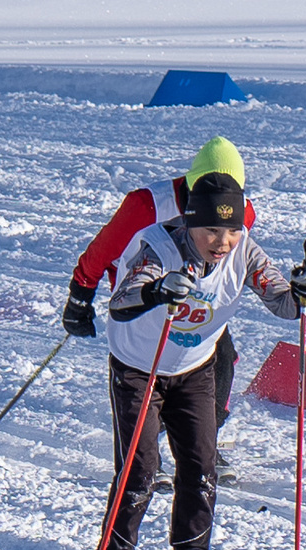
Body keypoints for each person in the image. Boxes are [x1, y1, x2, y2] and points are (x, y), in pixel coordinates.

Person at [86, 171, 306, 550]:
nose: (222, 242)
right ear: (189, 221)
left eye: (231, 230)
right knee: (139, 472)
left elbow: (284, 304)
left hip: (193, 369)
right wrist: (156, 290)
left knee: (201, 469)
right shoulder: (158, 247)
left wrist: (303, 291)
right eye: (211, 230)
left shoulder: (244, 251)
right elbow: (121, 302)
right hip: (139, 368)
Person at [66, 137, 254, 442]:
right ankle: (146, 443)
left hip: (196, 300)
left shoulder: (241, 213)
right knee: (150, 369)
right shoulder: (147, 205)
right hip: (144, 299)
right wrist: (80, 297)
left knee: (220, 358)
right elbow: (102, 251)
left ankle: (204, 440)